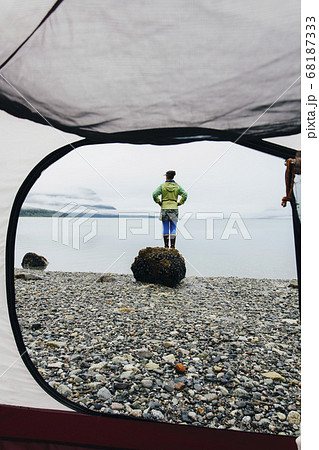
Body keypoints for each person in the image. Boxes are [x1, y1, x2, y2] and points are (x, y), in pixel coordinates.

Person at [152, 170, 188, 249]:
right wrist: (179, 203)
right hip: (174, 207)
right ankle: (172, 247)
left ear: (166, 176)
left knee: (165, 227)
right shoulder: (177, 186)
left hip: (165, 207)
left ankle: (166, 246)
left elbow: (154, 194)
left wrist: (159, 202)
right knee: (173, 228)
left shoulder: (163, 186)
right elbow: (185, 195)